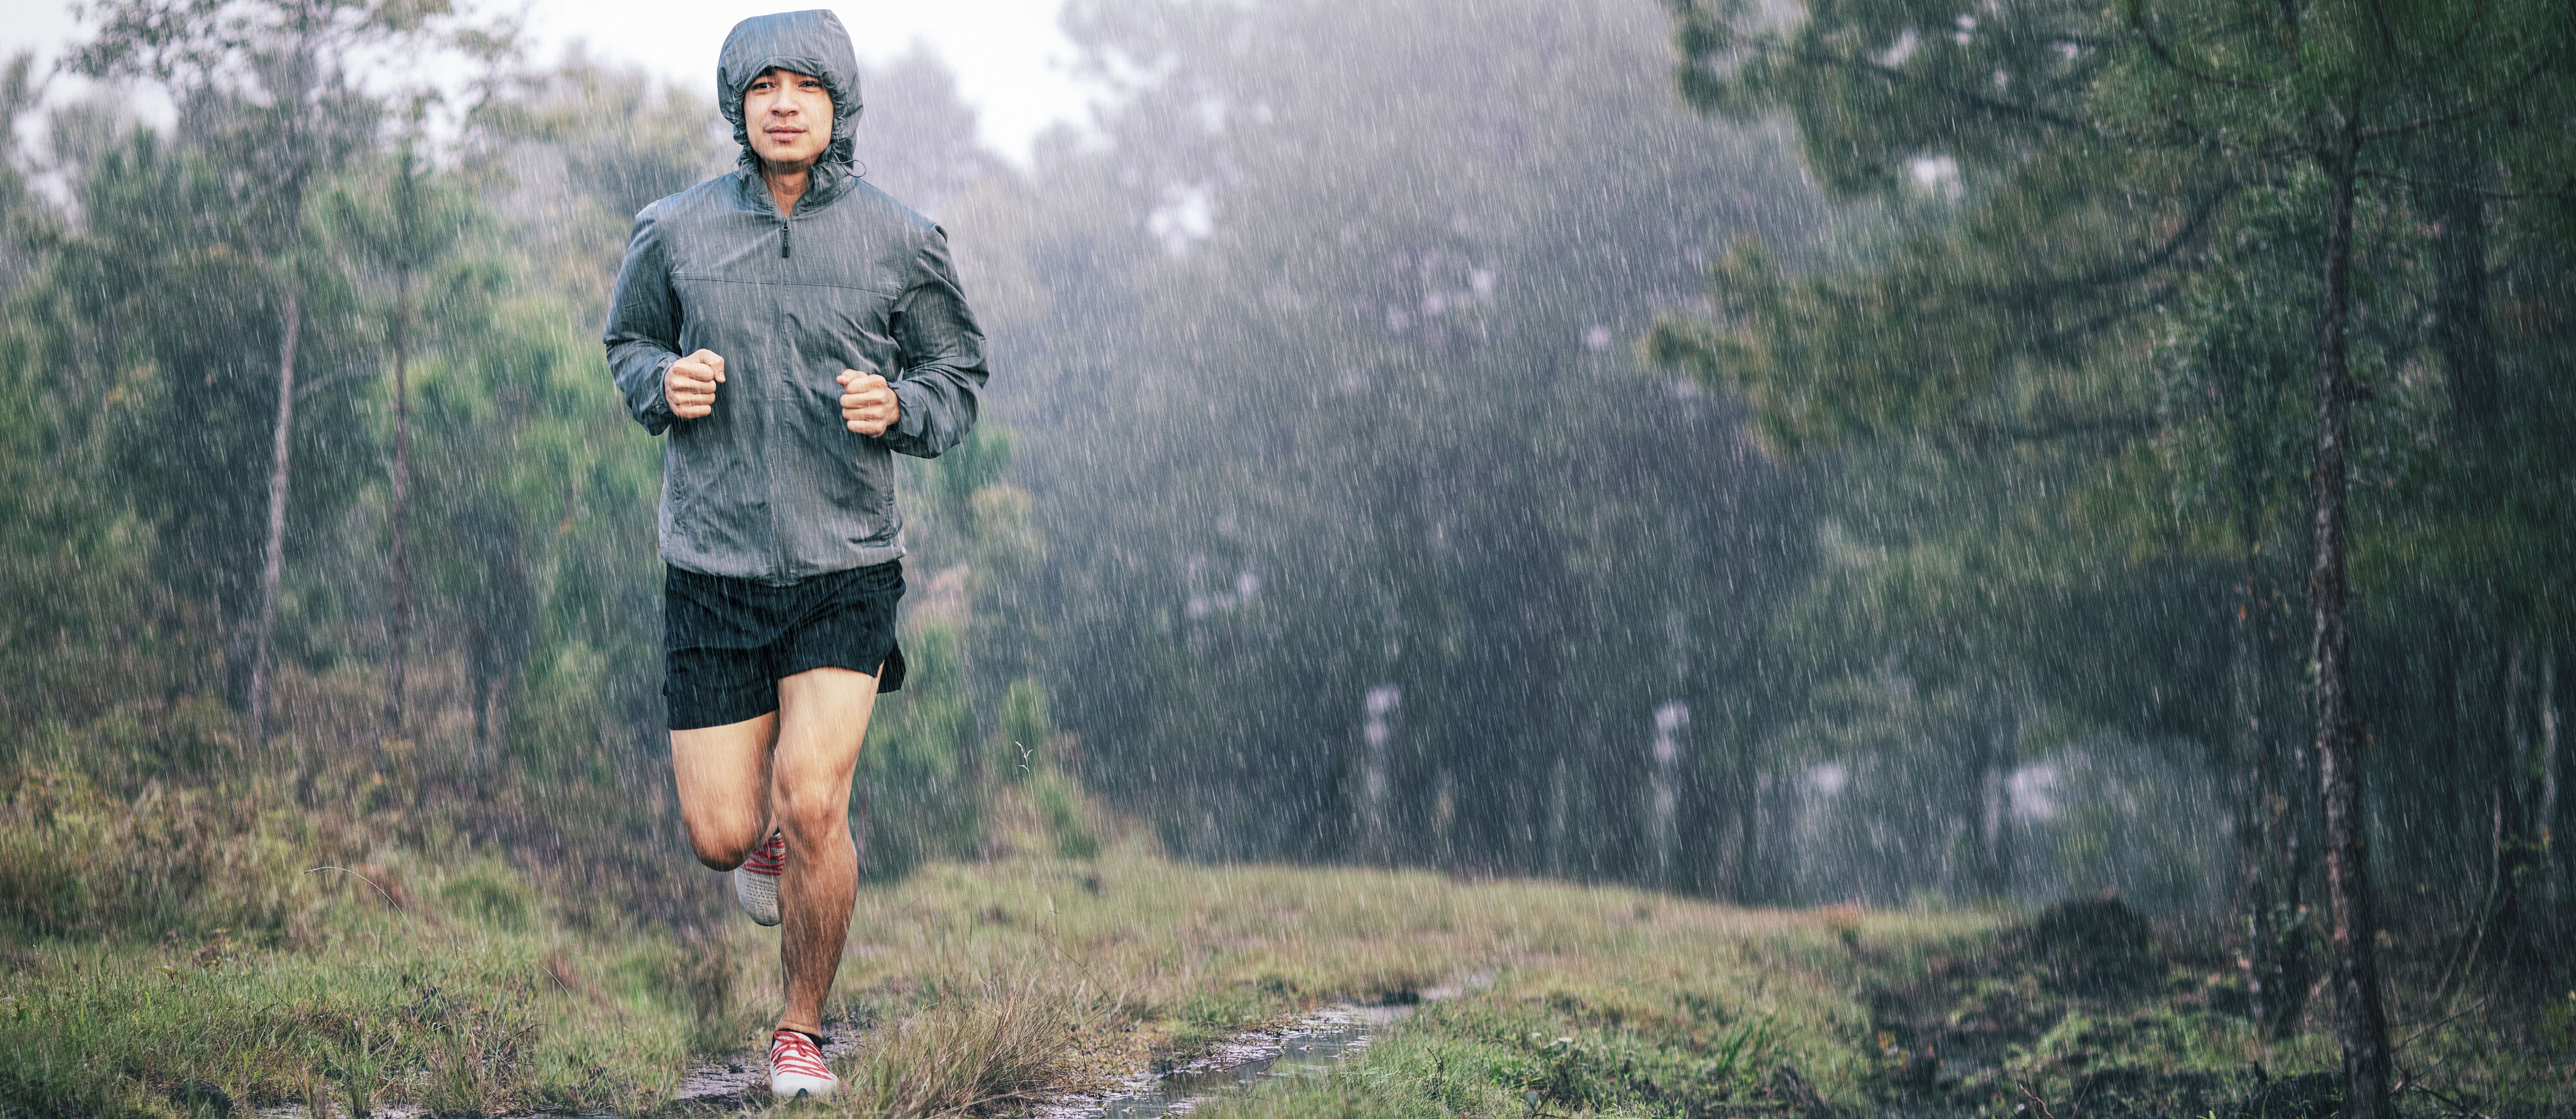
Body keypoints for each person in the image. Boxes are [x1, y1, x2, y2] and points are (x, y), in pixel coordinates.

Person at [602, 9, 987, 1100]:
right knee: (726, 834)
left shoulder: (902, 240)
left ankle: (801, 1030)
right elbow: (628, 342)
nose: (783, 102)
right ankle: (763, 846)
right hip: (714, 569)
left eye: (804, 87)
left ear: (838, 107)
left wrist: (901, 403)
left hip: (845, 565)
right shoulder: (672, 231)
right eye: (762, 85)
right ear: (738, 104)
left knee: (816, 798)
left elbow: (959, 378)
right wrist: (657, 383)